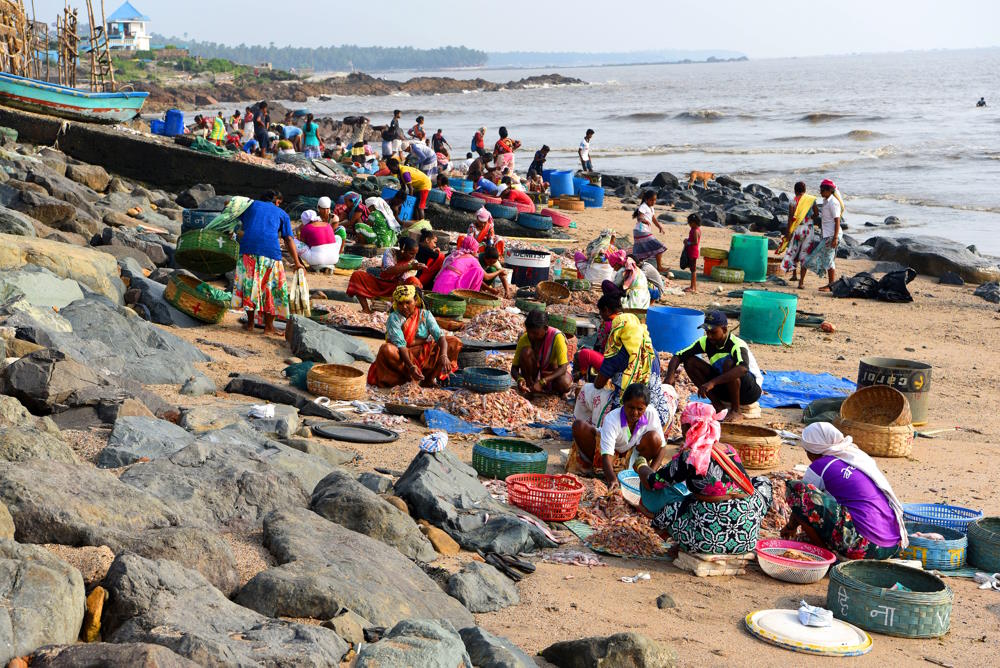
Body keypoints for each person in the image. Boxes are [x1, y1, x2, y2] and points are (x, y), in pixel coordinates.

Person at [638, 403, 772, 554]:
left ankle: (684, 541)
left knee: (668, 507)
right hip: (746, 538)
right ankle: (749, 524)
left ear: (688, 427)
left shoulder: (690, 457)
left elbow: (653, 482)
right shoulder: (729, 449)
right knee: (762, 482)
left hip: (708, 541)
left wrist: (641, 465)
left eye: (683, 426)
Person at [782, 422, 908, 559]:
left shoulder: (820, 465)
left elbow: (801, 503)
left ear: (812, 450)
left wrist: (790, 527)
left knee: (796, 489)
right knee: (804, 537)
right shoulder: (855, 457)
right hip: (892, 545)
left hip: (865, 546)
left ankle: (825, 557)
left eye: (807, 450)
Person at [575, 310, 678, 433]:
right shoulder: (651, 349)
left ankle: (588, 430)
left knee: (587, 389)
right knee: (667, 389)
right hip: (658, 416)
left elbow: (598, 384)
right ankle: (662, 433)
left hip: (627, 418)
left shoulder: (617, 352)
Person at [665, 310, 763, 420]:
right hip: (726, 387)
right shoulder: (706, 342)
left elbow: (743, 369)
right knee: (690, 361)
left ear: (724, 330)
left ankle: (736, 410)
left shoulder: (736, 344)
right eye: (707, 332)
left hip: (749, 391)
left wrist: (712, 382)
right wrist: (670, 376)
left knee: (729, 363)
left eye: (713, 332)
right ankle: (718, 406)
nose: (710, 336)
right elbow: (678, 355)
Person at [232, 190, 304, 334]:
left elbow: (231, 207)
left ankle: (250, 324)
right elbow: (288, 239)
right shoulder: (282, 213)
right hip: (270, 252)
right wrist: (297, 262)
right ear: (276, 201)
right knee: (271, 289)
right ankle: (269, 327)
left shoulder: (250, 205)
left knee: (250, 286)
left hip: (248, 249)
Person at [571, 383, 667, 486]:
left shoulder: (651, 413)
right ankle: (604, 472)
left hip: (633, 455)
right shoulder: (612, 419)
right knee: (579, 426)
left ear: (646, 407)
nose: (635, 413)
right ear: (623, 403)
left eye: (640, 409)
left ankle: (636, 473)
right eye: (631, 407)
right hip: (609, 454)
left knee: (655, 438)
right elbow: (606, 454)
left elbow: (662, 448)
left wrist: (651, 476)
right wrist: (612, 479)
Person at [367, 285, 461, 388]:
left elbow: (440, 336)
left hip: (422, 353)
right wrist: (411, 366)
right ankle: (409, 378)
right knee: (386, 349)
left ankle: (429, 379)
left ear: (415, 301)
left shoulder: (425, 315)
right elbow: (401, 345)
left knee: (454, 342)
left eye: (408, 302)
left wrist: (444, 355)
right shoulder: (394, 318)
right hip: (401, 356)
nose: (404, 306)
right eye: (400, 303)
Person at [347, 236, 425, 313]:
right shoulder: (391, 252)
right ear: (403, 250)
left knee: (414, 282)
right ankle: (366, 309)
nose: (413, 256)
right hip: (380, 282)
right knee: (357, 275)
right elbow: (388, 270)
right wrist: (409, 266)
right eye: (411, 253)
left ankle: (406, 312)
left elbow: (403, 280)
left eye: (415, 254)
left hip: (396, 288)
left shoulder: (414, 262)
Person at [510, 310, 573, 396]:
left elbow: (563, 368)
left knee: (565, 384)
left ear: (546, 328)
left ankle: (551, 391)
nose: (531, 336)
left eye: (535, 333)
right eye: (529, 332)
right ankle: (529, 386)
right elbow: (514, 368)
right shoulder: (524, 338)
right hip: (533, 374)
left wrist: (543, 381)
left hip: (550, 374)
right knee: (526, 352)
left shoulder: (557, 337)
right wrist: (519, 379)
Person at [804, 178, 844, 292]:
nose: (820, 192)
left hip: (832, 235)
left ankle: (831, 285)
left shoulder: (833, 203)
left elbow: (837, 221)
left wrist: (835, 238)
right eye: (820, 190)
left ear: (829, 190)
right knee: (829, 259)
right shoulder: (826, 201)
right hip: (828, 235)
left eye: (822, 190)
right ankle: (831, 285)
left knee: (819, 259)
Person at [779, 181, 820, 289]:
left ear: (795, 190)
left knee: (794, 250)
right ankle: (801, 282)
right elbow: (816, 214)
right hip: (808, 229)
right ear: (805, 190)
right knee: (805, 254)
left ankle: (794, 275)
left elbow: (790, 218)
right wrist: (809, 218)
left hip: (797, 229)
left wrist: (788, 233)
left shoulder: (793, 201)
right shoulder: (811, 200)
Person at [574, 293, 619, 380]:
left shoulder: (609, 324)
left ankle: (583, 376)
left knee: (583, 353)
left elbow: (600, 345)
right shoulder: (622, 320)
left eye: (600, 312)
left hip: (612, 365)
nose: (600, 315)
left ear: (606, 310)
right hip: (619, 362)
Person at [632, 190, 668, 272]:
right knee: (659, 247)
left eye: (655, 200)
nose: (653, 202)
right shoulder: (643, 206)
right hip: (641, 232)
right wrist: (643, 220)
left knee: (640, 253)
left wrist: (659, 226)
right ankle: (659, 267)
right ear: (646, 199)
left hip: (641, 232)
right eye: (651, 200)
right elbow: (639, 217)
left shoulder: (651, 208)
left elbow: (653, 218)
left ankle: (638, 270)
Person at [386, 157, 432, 222]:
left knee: (419, 206)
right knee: (415, 206)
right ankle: (416, 222)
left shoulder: (404, 173)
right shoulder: (399, 173)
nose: (391, 171)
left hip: (424, 185)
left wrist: (408, 200)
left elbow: (411, 189)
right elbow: (403, 188)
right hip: (418, 186)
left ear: (395, 166)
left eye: (391, 168)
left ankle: (422, 224)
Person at [682, 213, 701, 293]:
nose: (689, 224)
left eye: (690, 223)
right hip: (692, 251)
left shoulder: (695, 230)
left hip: (693, 252)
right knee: (692, 269)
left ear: (694, 222)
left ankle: (693, 287)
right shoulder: (695, 229)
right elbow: (692, 239)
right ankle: (693, 286)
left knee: (693, 270)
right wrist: (687, 240)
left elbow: (695, 242)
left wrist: (688, 243)